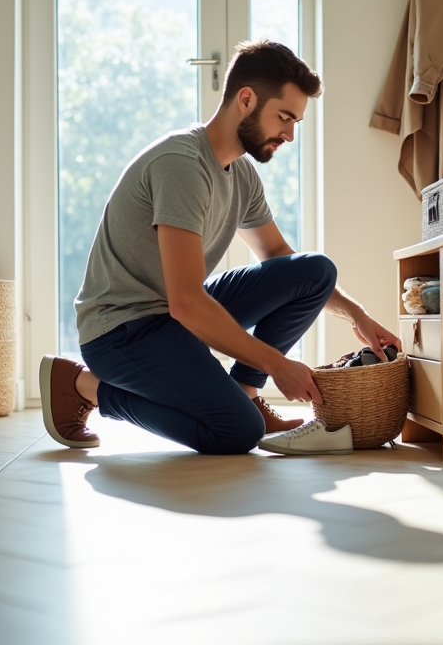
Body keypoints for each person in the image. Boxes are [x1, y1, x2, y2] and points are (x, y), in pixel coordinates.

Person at [40, 40, 401, 456]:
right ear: (246, 99)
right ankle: (84, 386)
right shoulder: (181, 166)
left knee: (314, 270)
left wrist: (356, 314)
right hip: (122, 331)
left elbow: (283, 261)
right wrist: (278, 365)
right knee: (236, 433)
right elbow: (187, 303)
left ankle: (244, 393)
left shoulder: (241, 174)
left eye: (296, 122)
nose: (289, 134)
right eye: (284, 117)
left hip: (169, 314)